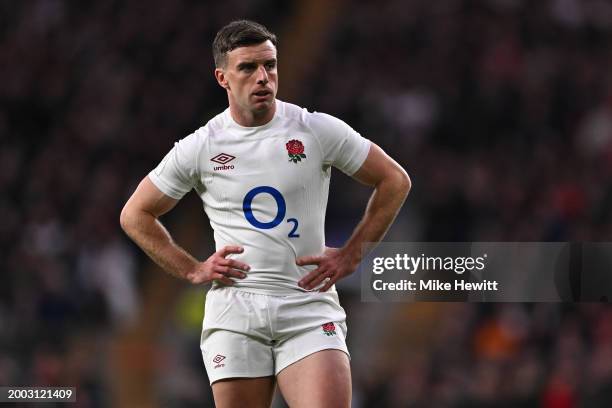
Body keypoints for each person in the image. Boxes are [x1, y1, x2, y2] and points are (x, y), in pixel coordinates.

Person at [120, 19, 410, 408]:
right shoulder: (201, 147)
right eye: (248, 68)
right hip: (236, 313)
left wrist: (352, 252)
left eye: (269, 66)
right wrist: (192, 268)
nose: (263, 77)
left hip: (306, 305)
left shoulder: (314, 130)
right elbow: (136, 214)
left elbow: (394, 180)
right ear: (222, 77)